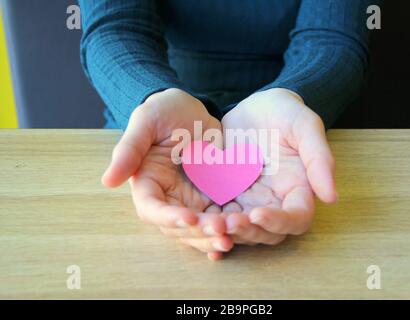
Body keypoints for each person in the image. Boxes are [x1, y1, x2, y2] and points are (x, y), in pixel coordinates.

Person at [79, 0, 377, 260]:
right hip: (156, 129)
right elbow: (116, 27)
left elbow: (333, 38)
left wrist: (292, 95)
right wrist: (152, 96)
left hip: (299, 129)